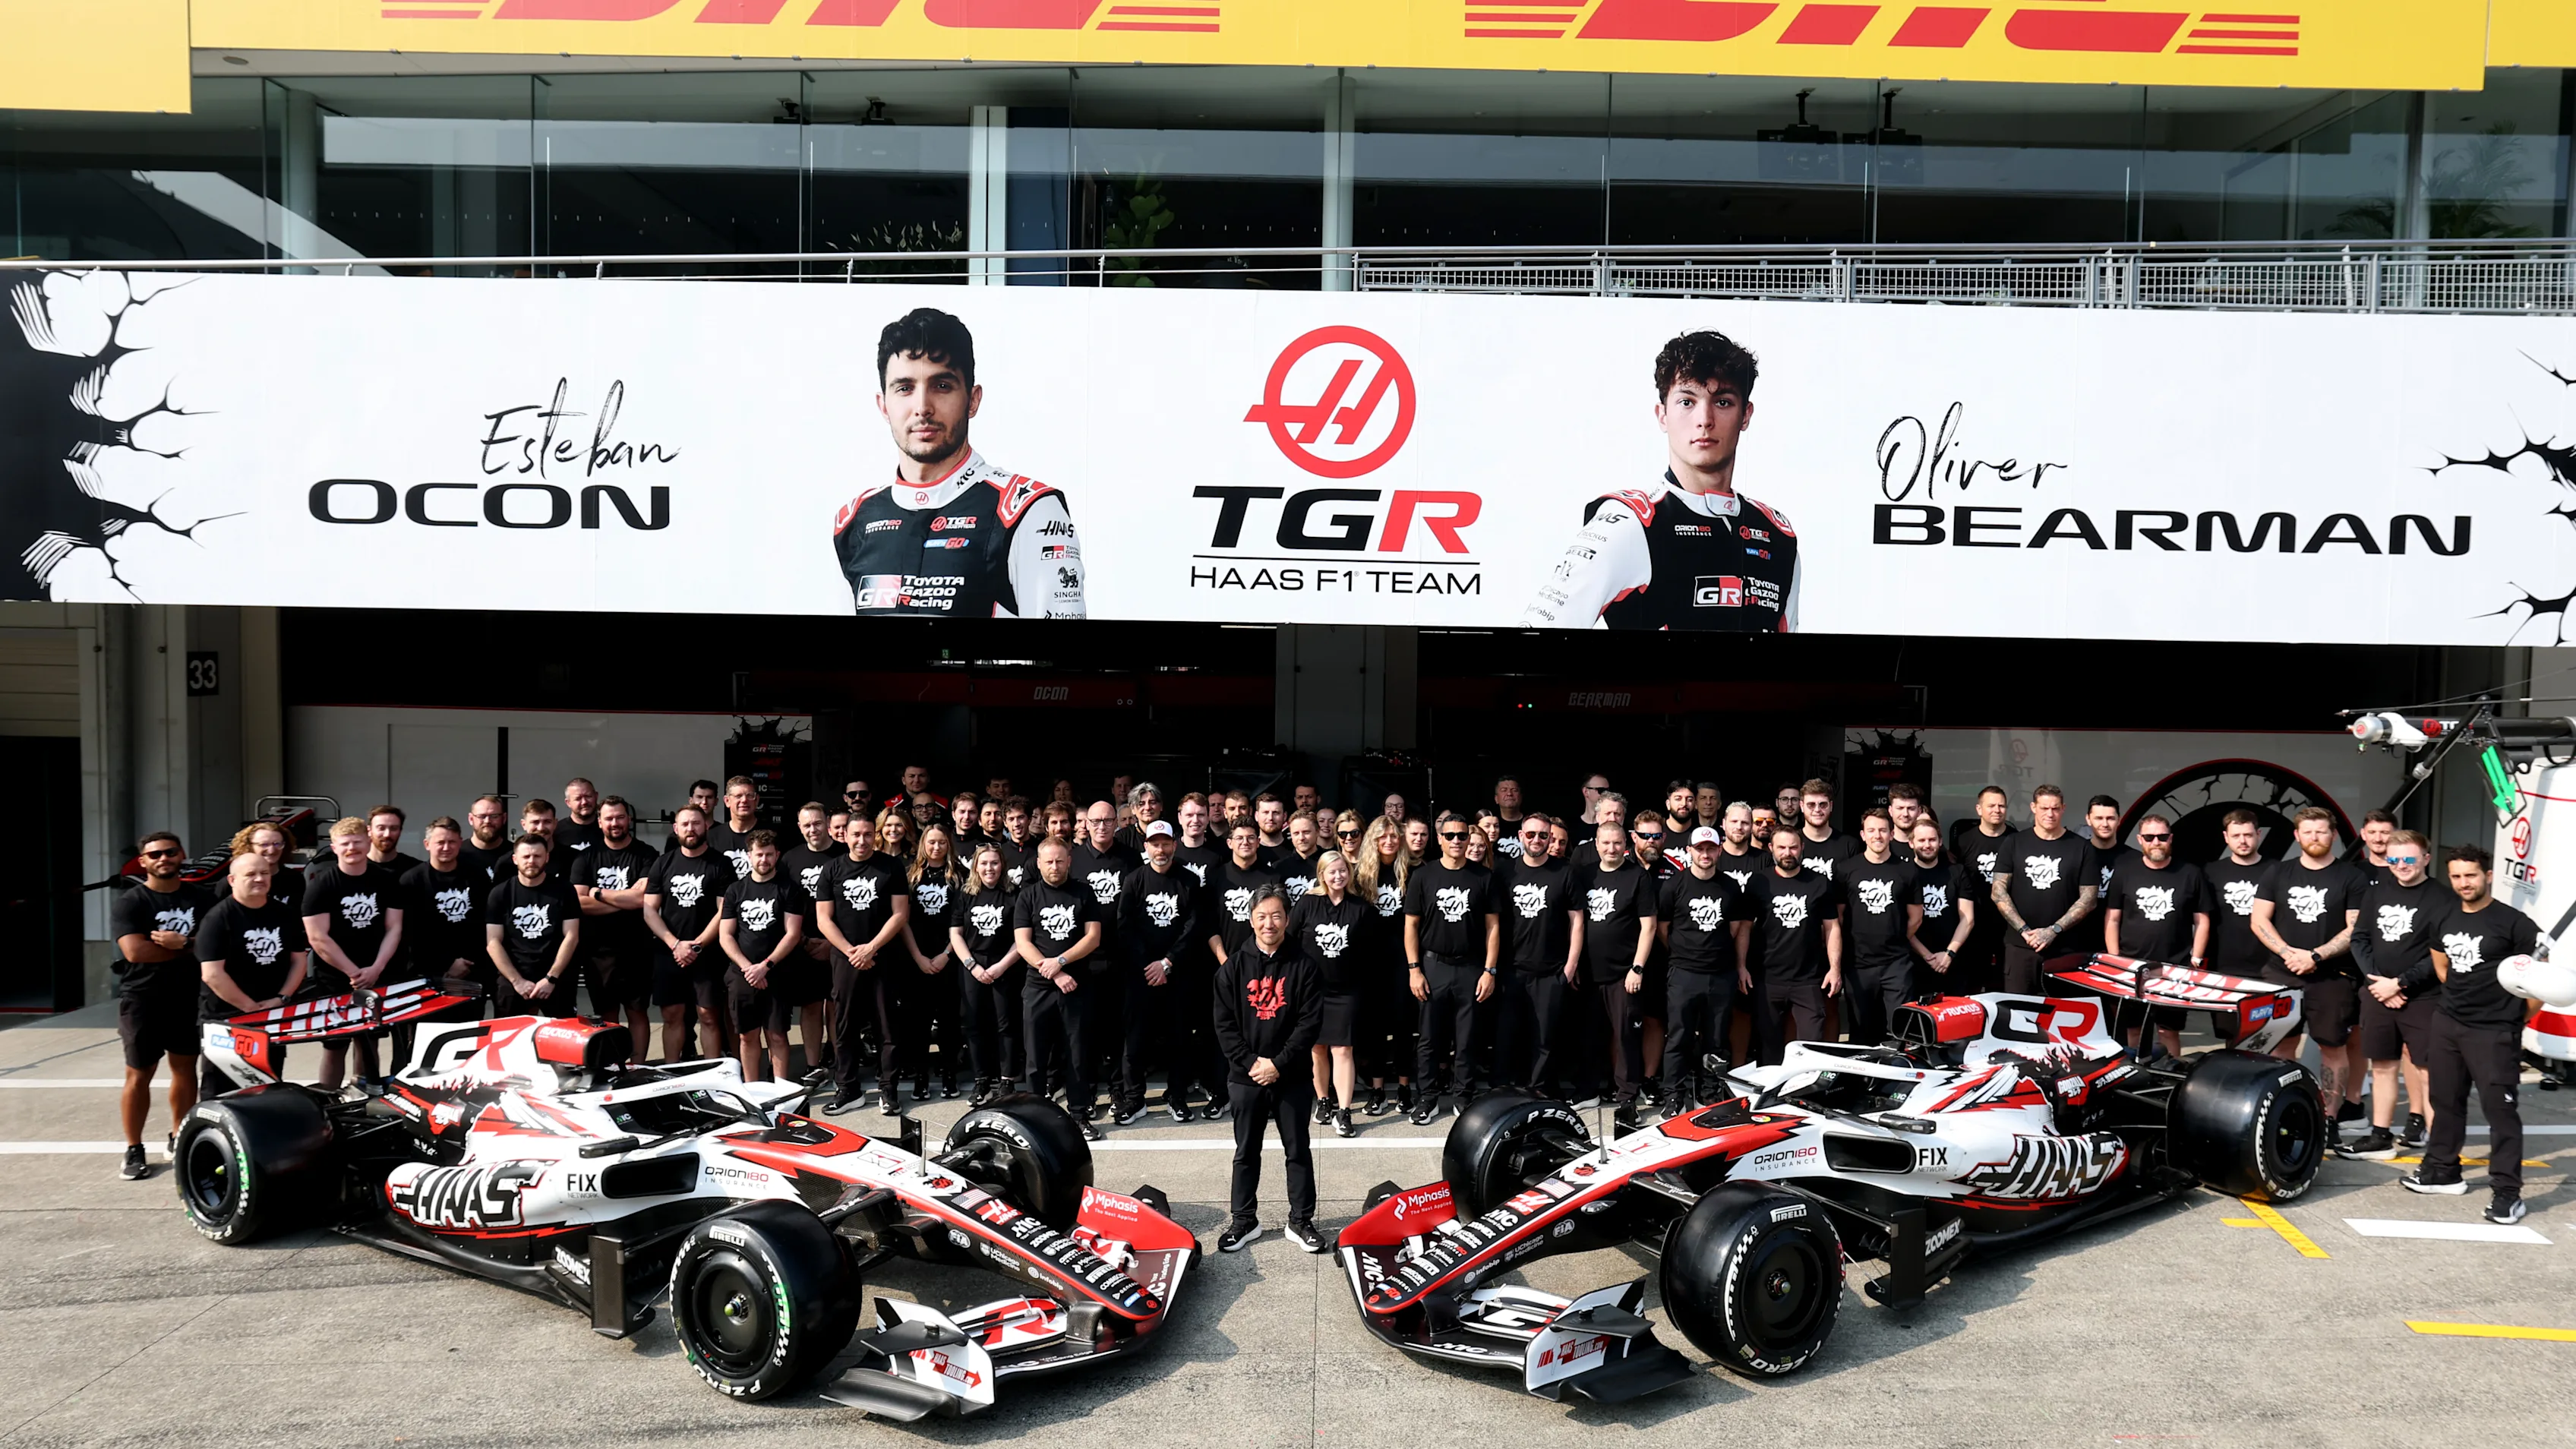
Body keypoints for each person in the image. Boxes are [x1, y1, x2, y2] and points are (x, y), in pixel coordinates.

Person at [1523, 330, 1795, 630]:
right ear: (1662, 415)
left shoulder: (1778, 535)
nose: (1705, 420)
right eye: (1687, 402)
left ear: (1745, 415)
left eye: (1723, 402)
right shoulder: (1631, 523)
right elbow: (1535, 640)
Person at [837, 306, 1086, 618]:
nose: (922, 407)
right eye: (905, 388)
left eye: (942, 386)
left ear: (973, 400)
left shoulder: (1028, 511)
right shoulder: (852, 522)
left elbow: (1063, 662)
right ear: (883, 405)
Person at [2389, 845, 2540, 1224]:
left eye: (2470, 875)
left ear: (2488, 876)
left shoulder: (2514, 924)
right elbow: (2442, 965)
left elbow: (2539, 981)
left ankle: (2508, 1193)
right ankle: (2443, 1170)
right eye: (2456, 876)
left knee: (2500, 1111)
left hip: (2494, 1032)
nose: (2463, 883)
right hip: (2448, 1023)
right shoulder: (2444, 916)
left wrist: (2512, 1019)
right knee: (2445, 1100)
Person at [1211, 886, 1326, 1254]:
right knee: (1246, 1151)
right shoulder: (1233, 968)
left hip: (1290, 1076)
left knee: (1298, 1150)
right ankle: (1244, 1220)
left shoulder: (1305, 965)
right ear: (1250, 920)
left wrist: (1278, 1063)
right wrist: (1252, 1064)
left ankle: (1301, 1221)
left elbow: (1309, 1024)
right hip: (1246, 1078)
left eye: (1276, 915)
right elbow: (1224, 1025)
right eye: (1261, 916)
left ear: (1287, 919)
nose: (1269, 923)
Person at [2252, 807, 2365, 1147]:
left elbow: (2355, 927)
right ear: (2297, 836)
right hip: (2280, 973)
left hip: (2332, 977)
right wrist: (2289, 954)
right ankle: (2279, 1110)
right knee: (2279, 1045)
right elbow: (2259, 920)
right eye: (2309, 831)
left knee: (2332, 1048)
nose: (2315, 837)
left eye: (2322, 831)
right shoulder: (2278, 872)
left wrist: (2316, 955)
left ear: (2333, 835)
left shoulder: (2351, 877)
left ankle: (2329, 1118)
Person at [112, 832, 210, 1179]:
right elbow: (135, 952)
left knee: (185, 1071)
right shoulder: (133, 901)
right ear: (143, 862)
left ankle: (178, 1137)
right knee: (139, 1074)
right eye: (154, 855)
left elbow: (216, 943)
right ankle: (133, 1149)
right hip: (142, 999)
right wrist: (188, 947)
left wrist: (180, 941)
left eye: (170, 852)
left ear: (182, 854)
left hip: (188, 997)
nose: (163, 858)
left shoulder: (201, 898)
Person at [2349, 828, 2442, 1160]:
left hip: (2424, 997)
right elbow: (2360, 938)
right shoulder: (2376, 892)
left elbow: (2439, 955)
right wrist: (2380, 983)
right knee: (2383, 1066)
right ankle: (2380, 1136)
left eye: (2408, 859)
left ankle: (2439, 1150)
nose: (2401, 865)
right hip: (2378, 993)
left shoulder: (2442, 898)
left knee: (2429, 1070)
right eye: (2394, 859)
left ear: (2426, 859)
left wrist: (2400, 984)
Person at [1406, 811, 1501, 1125]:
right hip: (1433, 966)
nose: (1457, 841)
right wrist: (1414, 968)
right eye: (1451, 836)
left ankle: (1463, 1098)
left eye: (1462, 836)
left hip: (1471, 967)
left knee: (1468, 1038)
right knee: (1430, 1039)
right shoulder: (1424, 876)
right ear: (1440, 839)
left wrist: (1490, 970)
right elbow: (1411, 926)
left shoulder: (1483, 877)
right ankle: (1428, 1099)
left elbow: (1493, 927)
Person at [816, 813, 913, 1116]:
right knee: (845, 1026)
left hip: (884, 956)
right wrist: (850, 951)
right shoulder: (832, 869)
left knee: (887, 1025)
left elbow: (900, 915)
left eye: (868, 834)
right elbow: (823, 918)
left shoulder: (891, 866)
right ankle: (848, 1089)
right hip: (845, 960)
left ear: (876, 835)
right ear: (844, 835)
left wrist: (871, 948)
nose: (862, 840)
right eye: (855, 835)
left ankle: (888, 1090)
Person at [194, 852, 309, 1100]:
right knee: (222, 1097)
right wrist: (250, 1008)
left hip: (271, 1016)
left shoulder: (285, 913)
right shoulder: (218, 918)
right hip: (226, 1021)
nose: (260, 878)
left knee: (268, 1090)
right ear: (233, 880)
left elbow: (299, 960)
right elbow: (212, 974)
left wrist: (283, 998)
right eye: (251, 874)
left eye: (265, 873)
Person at [301, 816, 405, 1086]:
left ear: (368, 841)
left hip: (377, 973)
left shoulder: (386, 880)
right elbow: (317, 937)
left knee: (368, 1041)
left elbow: (394, 928)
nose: (352, 848)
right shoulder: (321, 884)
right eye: (344, 843)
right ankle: (330, 1098)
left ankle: (364, 1094)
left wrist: (376, 969)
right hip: (335, 977)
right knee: (335, 1045)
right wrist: (353, 972)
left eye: (357, 842)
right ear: (334, 847)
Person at [1015, 837, 1106, 1141]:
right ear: (1038, 863)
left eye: (1059, 861)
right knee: (1036, 1058)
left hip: (1077, 986)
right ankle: (1034, 1119)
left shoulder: (1084, 892)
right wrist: (1053, 971)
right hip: (1039, 987)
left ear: (1069, 861)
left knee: (1077, 1055)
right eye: (1048, 862)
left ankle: (1080, 1116)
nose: (1054, 867)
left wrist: (1062, 961)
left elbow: (1093, 937)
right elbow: (1023, 943)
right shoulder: (1028, 896)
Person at [2101, 813, 2209, 1059]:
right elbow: (2113, 918)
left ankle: (2171, 1079)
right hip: (2131, 966)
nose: (2156, 842)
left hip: (2175, 967)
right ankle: (2134, 1081)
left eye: (2162, 837)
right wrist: (2116, 960)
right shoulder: (2125, 871)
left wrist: (2196, 959)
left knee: (2168, 1030)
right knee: (2133, 1030)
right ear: (2140, 839)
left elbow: (2202, 921)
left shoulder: (2190, 873)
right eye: (2149, 837)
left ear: (2170, 838)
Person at [1577, 818, 1662, 1128]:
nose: (1611, 849)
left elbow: (1649, 926)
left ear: (1625, 845)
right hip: (1588, 972)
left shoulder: (1637, 877)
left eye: (1617, 843)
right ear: (1596, 844)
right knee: (1588, 1035)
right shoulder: (1584, 874)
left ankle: (1628, 1098)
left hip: (1624, 973)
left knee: (1627, 1038)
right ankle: (1588, 1091)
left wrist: (1637, 967)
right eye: (1606, 843)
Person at [1117, 820, 1201, 1125]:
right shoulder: (1134, 880)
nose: (1161, 849)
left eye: (1166, 843)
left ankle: (1177, 1097)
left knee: (1180, 1038)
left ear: (1174, 845)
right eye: (1155, 843)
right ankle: (1135, 1100)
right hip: (1140, 975)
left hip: (1178, 974)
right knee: (1136, 1040)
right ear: (1146, 847)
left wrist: (1167, 962)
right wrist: (1150, 965)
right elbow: (1125, 926)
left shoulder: (1189, 881)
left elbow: (1194, 928)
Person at [1662, 826, 1750, 1108]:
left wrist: (1734, 964)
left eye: (1711, 849)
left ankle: (1710, 1092)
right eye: (1699, 849)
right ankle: (1673, 1095)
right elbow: (1663, 929)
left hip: (1720, 974)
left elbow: (1736, 929)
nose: (1705, 854)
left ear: (1719, 851)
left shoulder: (1730, 886)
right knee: (1679, 1037)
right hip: (1684, 973)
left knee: (1716, 1039)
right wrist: (1685, 952)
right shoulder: (1674, 885)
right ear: (1689, 851)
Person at [1496, 813, 1581, 1100]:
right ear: (1521, 836)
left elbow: (1577, 922)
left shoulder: (1565, 872)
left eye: (1543, 835)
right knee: (1510, 1035)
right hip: (1511, 969)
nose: (1536, 840)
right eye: (1530, 834)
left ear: (1550, 839)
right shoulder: (1505, 871)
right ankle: (1512, 1093)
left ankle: (1540, 1092)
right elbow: (1492, 922)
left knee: (1545, 1039)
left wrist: (1569, 968)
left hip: (1551, 970)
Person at [644, 805, 734, 1064]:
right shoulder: (663, 863)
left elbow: (724, 911)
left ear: (706, 826)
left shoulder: (721, 864)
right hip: (668, 952)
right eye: (685, 824)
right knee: (672, 1015)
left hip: (707, 954)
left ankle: (713, 1074)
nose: (691, 829)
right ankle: (672, 1073)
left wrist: (696, 946)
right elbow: (649, 909)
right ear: (676, 828)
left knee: (708, 1015)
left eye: (696, 823)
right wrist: (675, 945)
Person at [1293, 849, 1372, 1138]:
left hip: (1347, 991)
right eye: (1332, 871)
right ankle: (1323, 1100)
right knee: (1317, 1049)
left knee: (1344, 1049)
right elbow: (1290, 942)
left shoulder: (1360, 908)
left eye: (1343, 871)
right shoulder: (1307, 904)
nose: (1338, 876)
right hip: (1312, 990)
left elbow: (1369, 952)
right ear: (1322, 875)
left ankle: (1345, 1111)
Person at [718, 830, 808, 1084]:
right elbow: (726, 935)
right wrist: (749, 968)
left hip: (777, 973)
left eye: (769, 855)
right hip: (741, 974)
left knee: (777, 1034)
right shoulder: (736, 890)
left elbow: (792, 933)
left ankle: (780, 1089)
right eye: (759, 854)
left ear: (777, 855)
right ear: (749, 856)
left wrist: (765, 966)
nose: (764, 860)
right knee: (747, 1035)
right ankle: (751, 1087)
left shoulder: (789, 889)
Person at [575, 796, 660, 1059]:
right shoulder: (586, 858)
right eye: (609, 818)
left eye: (620, 817)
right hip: (598, 951)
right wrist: (625, 901)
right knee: (607, 1014)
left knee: (637, 1012)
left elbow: (642, 899)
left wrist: (598, 893)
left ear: (629, 819)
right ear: (600, 822)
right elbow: (578, 903)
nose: (615, 823)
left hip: (638, 948)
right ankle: (613, 1067)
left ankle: (637, 1067)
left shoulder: (647, 854)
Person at [1989, 784, 2095, 995]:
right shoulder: (2014, 842)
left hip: (2065, 948)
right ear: (2033, 807)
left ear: (2063, 808)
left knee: (2063, 1017)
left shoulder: (2082, 847)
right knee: (2017, 1016)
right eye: (2044, 808)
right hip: (2020, 948)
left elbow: (2089, 898)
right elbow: (1998, 891)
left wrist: (2053, 930)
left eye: (2055, 808)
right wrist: (2024, 931)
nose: (2050, 814)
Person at [1747, 827, 1839, 1062]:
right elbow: (1743, 929)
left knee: (1811, 1047)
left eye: (1793, 847)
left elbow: (1832, 927)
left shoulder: (1819, 882)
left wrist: (1835, 968)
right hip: (1767, 978)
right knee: (1769, 1049)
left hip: (1808, 979)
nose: (1788, 852)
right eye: (1782, 847)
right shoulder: (1759, 882)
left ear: (1802, 848)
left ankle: (1806, 1094)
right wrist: (1741, 966)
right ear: (1771, 849)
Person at [1839, 809, 1922, 1045]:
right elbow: (1839, 916)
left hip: (1897, 964)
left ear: (1892, 834)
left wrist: (1895, 938)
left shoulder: (1907, 870)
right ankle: (1862, 1081)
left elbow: (1916, 917)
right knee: (1862, 1031)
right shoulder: (1846, 870)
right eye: (1872, 831)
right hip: (1858, 963)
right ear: (1863, 835)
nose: (1878, 836)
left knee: (1901, 1029)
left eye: (1883, 831)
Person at [952, 841, 1024, 1104]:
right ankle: (982, 1080)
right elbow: (956, 933)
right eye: (983, 863)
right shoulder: (966, 894)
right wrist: (972, 965)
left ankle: (1007, 1080)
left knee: (1006, 1024)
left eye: (994, 862)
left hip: (1005, 964)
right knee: (974, 1024)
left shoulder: (1014, 893)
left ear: (1002, 865)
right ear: (976, 866)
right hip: (973, 966)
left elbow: (1022, 938)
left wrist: (1001, 965)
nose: (989, 868)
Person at [1354, 814, 1415, 1117]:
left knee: (1404, 1028)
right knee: (1375, 1030)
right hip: (1371, 964)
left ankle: (1404, 1089)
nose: (1389, 841)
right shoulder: (1361, 876)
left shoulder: (1413, 873)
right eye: (1382, 837)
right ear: (1373, 841)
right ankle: (1377, 1091)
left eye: (1394, 836)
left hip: (1403, 961)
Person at [486, 836, 579, 1018]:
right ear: (515, 859)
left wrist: (551, 978)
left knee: (562, 1040)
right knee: (507, 1039)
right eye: (526, 856)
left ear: (547, 858)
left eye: (537, 856)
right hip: (513, 977)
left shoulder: (565, 890)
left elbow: (572, 936)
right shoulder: (500, 893)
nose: (531, 861)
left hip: (555, 977)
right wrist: (517, 981)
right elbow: (493, 942)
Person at [905, 822, 966, 1099]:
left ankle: (949, 1072)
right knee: (918, 1022)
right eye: (931, 842)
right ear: (923, 844)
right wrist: (918, 957)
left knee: (949, 1021)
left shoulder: (960, 875)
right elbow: (902, 920)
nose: (936, 847)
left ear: (948, 844)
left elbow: (965, 921)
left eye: (942, 842)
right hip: (917, 958)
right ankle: (921, 1074)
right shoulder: (912, 875)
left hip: (949, 957)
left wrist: (945, 955)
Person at [1951, 785, 2016, 993]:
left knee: (2004, 982)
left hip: (2007, 925)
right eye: (1991, 806)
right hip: (1974, 924)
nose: (1997, 810)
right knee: (1971, 982)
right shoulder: (1963, 841)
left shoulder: (2018, 840)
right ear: (1979, 809)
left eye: (2002, 806)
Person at [2203, 809, 2275, 980]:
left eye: (2248, 835)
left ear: (2259, 834)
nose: (2242, 841)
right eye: (2236, 836)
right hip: (2222, 965)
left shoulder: (2277, 871)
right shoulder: (2210, 872)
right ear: (2226, 837)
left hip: (2269, 966)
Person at [1906, 818, 1974, 997]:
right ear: (1911, 843)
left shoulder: (1957, 872)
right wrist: (1928, 957)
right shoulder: (1903, 875)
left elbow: (1968, 919)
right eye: (1921, 840)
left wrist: (1949, 954)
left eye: (1932, 840)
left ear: (1940, 841)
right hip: (1915, 962)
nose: (1927, 845)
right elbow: (1902, 925)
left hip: (1953, 960)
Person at [2063, 794, 2132, 960]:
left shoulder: (2134, 859)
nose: (2105, 824)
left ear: (2119, 820)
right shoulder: (2073, 855)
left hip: (2120, 945)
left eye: (2110, 818)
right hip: (2075, 942)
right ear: (2088, 819)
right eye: (2099, 818)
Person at [1795, 779, 1858, 883]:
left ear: (1831, 806)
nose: (1817, 810)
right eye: (1811, 805)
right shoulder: (1791, 844)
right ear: (1802, 806)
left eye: (1823, 804)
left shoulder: (1849, 845)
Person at [711, 776, 762, 877]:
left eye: (750, 795)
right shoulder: (712, 837)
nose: (744, 800)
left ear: (757, 800)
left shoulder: (772, 834)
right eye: (738, 796)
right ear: (727, 801)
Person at [461, 795, 513, 881]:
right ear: (471, 819)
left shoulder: (516, 854)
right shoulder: (457, 854)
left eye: (494, 816)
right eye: (482, 816)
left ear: (504, 818)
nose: (487, 821)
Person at [365, 805, 422, 880]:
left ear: (400, 831)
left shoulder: (417, 870)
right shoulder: (355, 868)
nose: (387, 834)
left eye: (394, 829)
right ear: (369, 831)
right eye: (381, 828)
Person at [557, 778, 603, 859]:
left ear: (596, 796)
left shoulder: (607, 828)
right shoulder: (557, 831)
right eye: (578, 799)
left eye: (588, 796)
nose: (584, 802)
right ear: (568, 803)